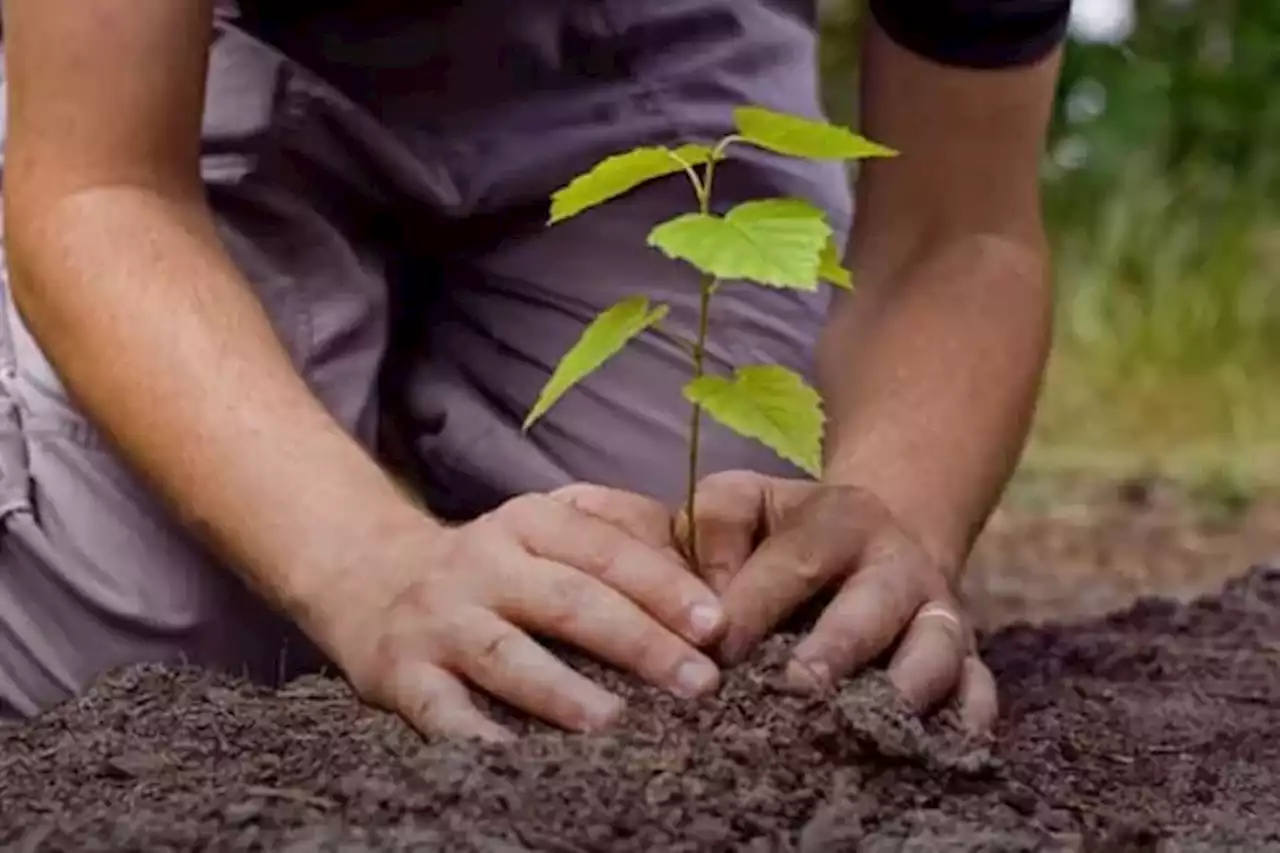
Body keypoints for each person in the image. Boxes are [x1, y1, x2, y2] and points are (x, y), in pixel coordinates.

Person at [0, 0, 1068, 739]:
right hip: (189, 49)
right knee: (127, 644)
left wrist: (895, 522)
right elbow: (101, 187)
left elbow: (954, 231)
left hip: (646, 34)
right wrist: (363, 563)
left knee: (719, 595)